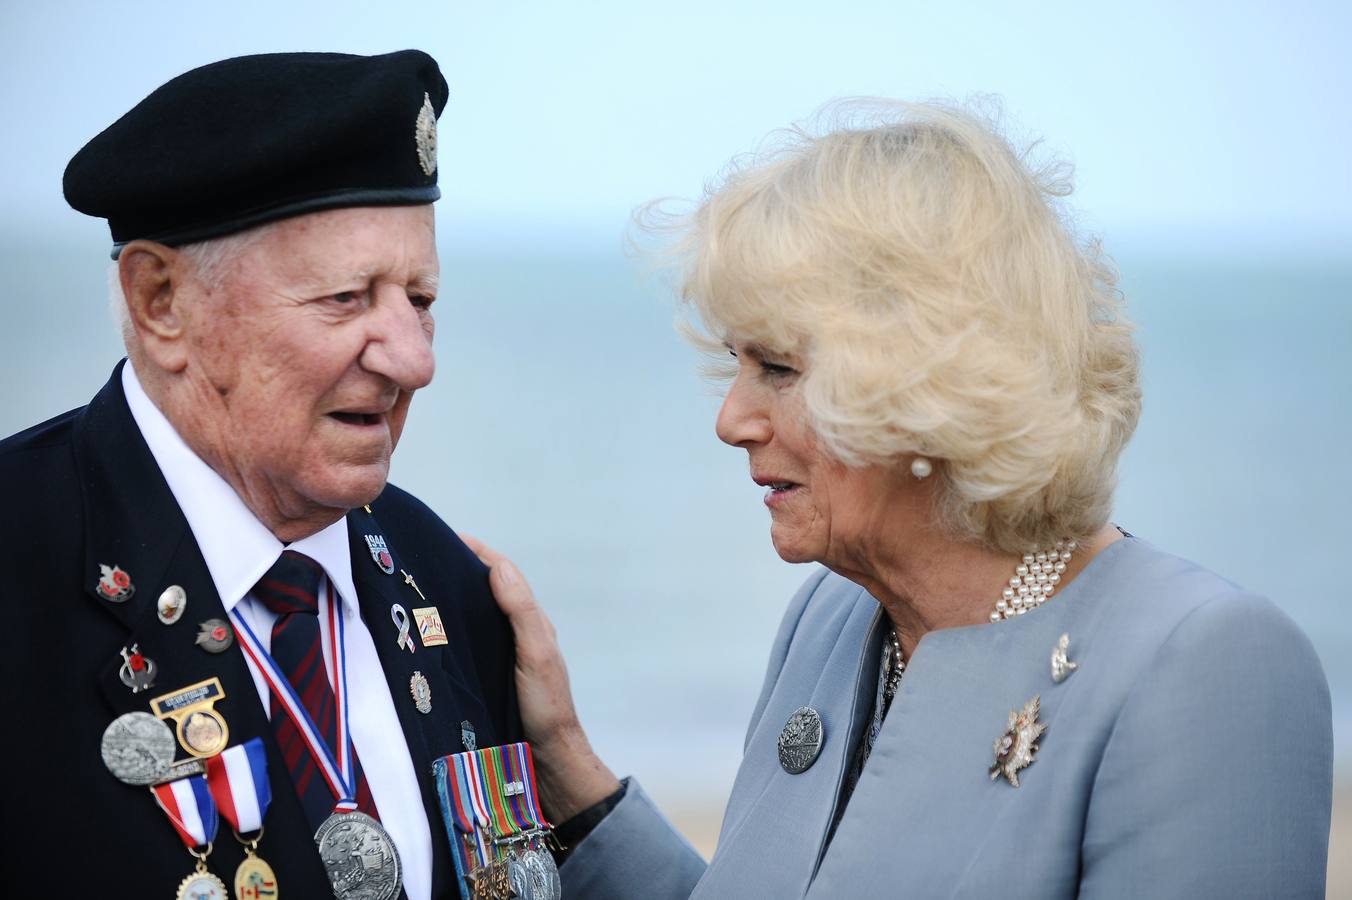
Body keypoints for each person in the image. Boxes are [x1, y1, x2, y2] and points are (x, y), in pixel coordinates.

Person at [468, 100, 1334, 898]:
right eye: (735, 364)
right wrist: (568, 770)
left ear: (928, 384)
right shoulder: (832, 620)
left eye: (778, 368)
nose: (732, 419)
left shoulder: (1207, 664)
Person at [0, 51, 518, 900]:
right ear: (161, 302)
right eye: (347, 299)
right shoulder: (19, 563)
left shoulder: (451, 584)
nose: (415, 361)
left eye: (419, 300)